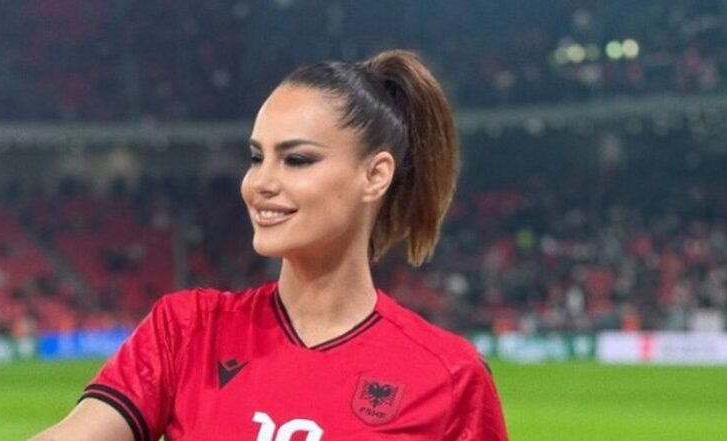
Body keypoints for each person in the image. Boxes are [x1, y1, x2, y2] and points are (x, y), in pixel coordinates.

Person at [32, 49, 508, 441]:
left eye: (296, 159)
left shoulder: (450, 377)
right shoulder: (187, 329)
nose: (260, 182)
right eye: (257, 157)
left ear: (375, 174)